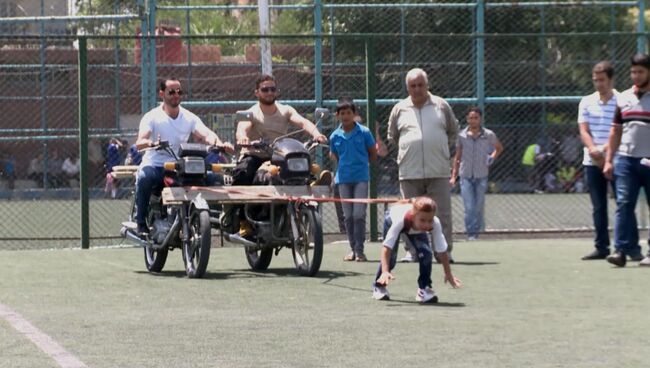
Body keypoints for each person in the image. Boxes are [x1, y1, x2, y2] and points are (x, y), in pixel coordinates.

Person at [134, 77, 233, 236]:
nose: (176, 95)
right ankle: (141, 223)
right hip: (156, 165)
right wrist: (150, 144)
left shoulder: (189, 117)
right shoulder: (151, 117)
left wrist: (220, 144)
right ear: (162, 94)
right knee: (145, 177)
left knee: (215, 179)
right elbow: (141, 140)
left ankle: (218, 221)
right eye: (171, 92)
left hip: (180, 167)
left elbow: (206, 133)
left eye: (179, 91)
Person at [232, 74, 328, 237]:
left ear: (277, 91)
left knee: (300, 163)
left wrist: (317, 134)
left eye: (272, 89)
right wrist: (243, 138)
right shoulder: (251, 112)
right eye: (265, 89)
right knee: (244, 173)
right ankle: (244, 220)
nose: (269, 92)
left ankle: (310, 184)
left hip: (278, 155)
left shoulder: (286, 110)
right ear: (257, 92)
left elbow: (303, 122)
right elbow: (242, 128)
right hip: (255, 154)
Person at [387, 68, 459, 262]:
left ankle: (443, 252)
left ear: (427, 85)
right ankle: (413, 252)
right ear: (407, 87)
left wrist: (440, 149)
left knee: (442, 213)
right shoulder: (399, 109)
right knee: (410, 215)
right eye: (413, 86)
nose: (417, 89)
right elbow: (393, 136)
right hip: (410, 171)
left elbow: (453, 131)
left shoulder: (441, 105)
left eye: (421, 85)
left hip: (439, 170)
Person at [603, 53, 650, 267]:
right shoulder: (623, 98)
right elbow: (616, 131)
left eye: (640, 72)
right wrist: (609, 160)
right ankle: (621, 250)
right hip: (626, 161)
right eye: (633, 72)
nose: (636, 76)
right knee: (623, 204)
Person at [577, 61, 627, 260]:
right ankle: (601, 247)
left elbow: (620, 131)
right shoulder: (586, 101)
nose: (598, 84)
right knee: (599, 207)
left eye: (602, 80)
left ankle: (625, 247)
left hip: (616, 160)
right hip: (591, 162)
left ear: (611, 80)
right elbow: (583, 130)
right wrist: (592, 149)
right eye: (595, 80)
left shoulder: (623, 100)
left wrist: (605, 151)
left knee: (623, 204)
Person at [372, 196, 462, 303]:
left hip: (414, 228)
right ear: (414, 215)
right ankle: (379, 286)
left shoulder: (435, 223)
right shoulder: (400, 220)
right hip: (391, 220)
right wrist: (385, 271)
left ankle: (423, 289)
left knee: (426, 254)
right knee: (391, 258)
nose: (427, 225)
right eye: (423, 220)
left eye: (430, 220)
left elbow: (442, 250)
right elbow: (386, 248)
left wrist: (448, 274)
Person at [329, 97, 377, 262]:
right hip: (343, 180)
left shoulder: (364, 132)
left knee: (358, 214)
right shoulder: (335, 136)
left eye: (349, 112)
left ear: (354, 114)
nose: (346, 116)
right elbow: (334, 155)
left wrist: (361, 165)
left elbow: (372, 152)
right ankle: (352, 249)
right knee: (347, 216)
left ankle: (360, 250)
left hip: (361, 179)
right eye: (342, 113)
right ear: (337, 115)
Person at [450, 107, 503, 241]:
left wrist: (492, 157)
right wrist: (453, 176)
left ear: (480, 119)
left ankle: (477, 231)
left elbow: (498, 148)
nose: (473, 120)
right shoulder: (461, 135)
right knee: (469, 207)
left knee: (478, 206)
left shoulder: (488, 134)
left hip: (481, 175)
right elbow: (457, 156)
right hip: (465, 175)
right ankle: (471, 233)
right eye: (470, 118)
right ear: (467, 119)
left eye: (476, 118)